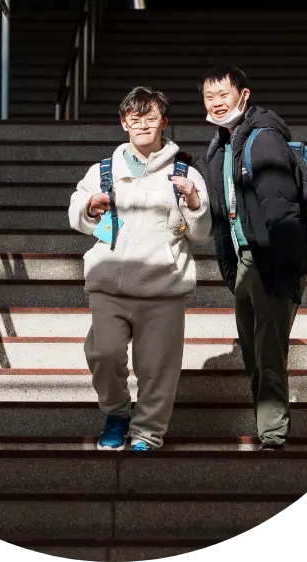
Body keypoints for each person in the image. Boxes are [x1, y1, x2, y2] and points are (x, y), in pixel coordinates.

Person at [68, 86, 212, 451]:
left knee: (158, 367)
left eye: (151, 118)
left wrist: (194, 202)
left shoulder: (186, 171)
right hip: (109, 282)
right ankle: (117, 414)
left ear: (164, 122)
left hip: (164, 284)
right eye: (135, 118)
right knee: (102, 354)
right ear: (124, 123)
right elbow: (77, 216)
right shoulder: (103, 170)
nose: (143, 124)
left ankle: (147, 432)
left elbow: (201, 233)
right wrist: (89, 207)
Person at [194, 64, 307, 451]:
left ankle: (273, 436)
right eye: (209, 97)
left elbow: (281, 209)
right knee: (253, 351)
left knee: (268, 350)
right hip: (245, 260)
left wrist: (287, 270)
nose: (216, 103)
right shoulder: (221, 145)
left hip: (271, 258)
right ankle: (270, 428)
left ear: (243, 95)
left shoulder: (263, 139)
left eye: (223, 95)